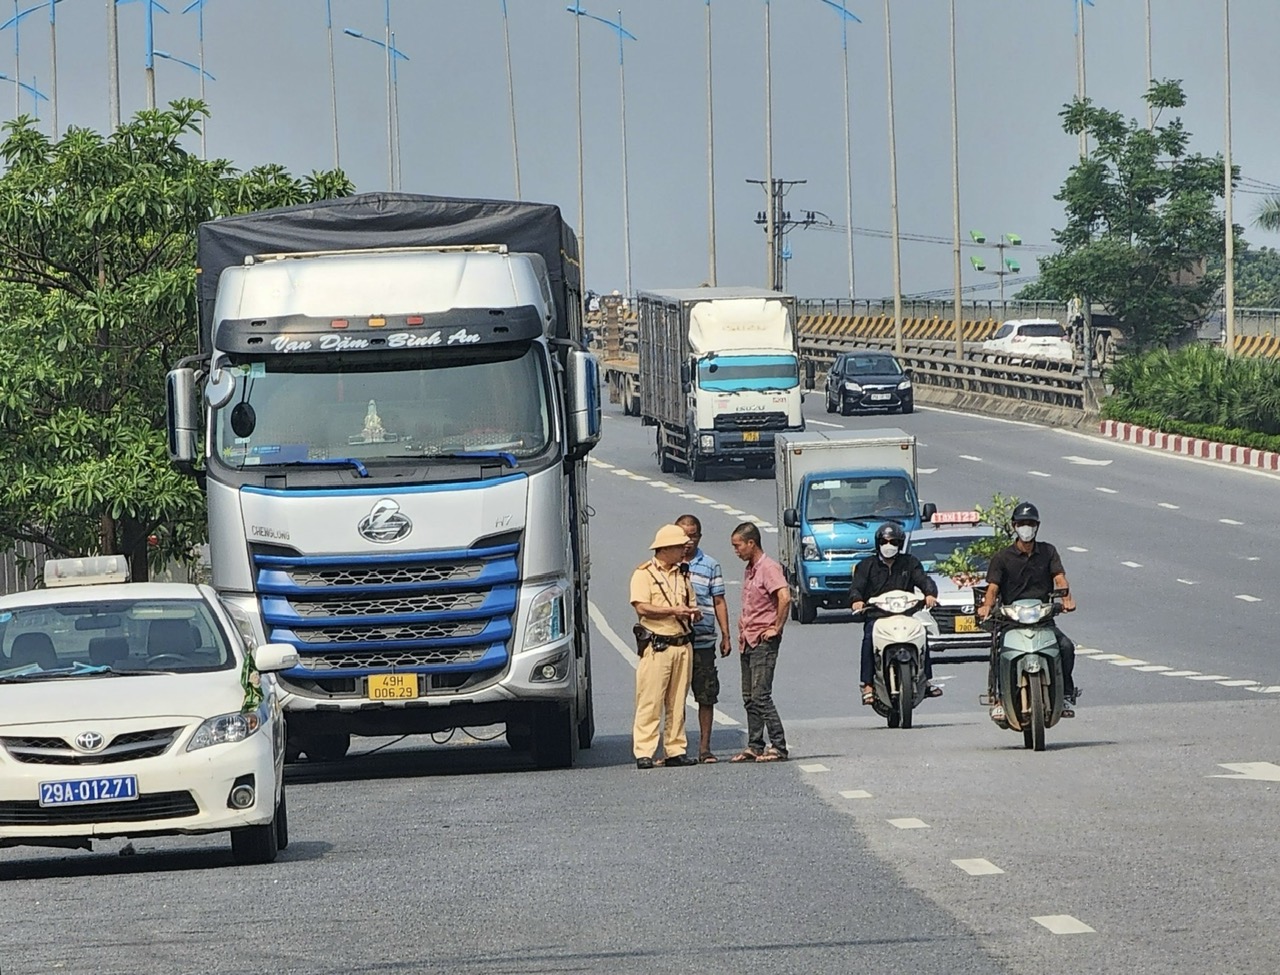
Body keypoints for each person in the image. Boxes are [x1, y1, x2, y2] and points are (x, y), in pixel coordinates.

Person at [976, 501, 1078, 722]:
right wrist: (986, 606)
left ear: (1037, 527)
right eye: (1022, 523)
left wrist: (1067, 598)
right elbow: (992, 588)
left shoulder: (1048, 552)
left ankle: (1067, 693)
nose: (1026, 528)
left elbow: (1059, 577)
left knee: (1066, 647)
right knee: (998, 650)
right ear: (1014, 526)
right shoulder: (1002, 558)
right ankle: (1000, 699)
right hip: (1011, 620)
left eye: (1030, 523)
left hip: (1043, 617)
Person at [630, 523, 702, 769]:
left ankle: (675, 750)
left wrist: (692, 613)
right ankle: (644, 751)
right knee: (650, 701)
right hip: (657, 645)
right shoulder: (644, 573)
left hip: (682, 644)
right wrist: (673, 610)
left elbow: (689, 602)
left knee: (678, 701)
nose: (685, 549)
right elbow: (641, 607)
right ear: (666, 548)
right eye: (680, 546)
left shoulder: (683, 573)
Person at [850, 522, 942, 706]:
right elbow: (856, 588)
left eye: (893, 542)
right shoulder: (866, 566)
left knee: (921, 634)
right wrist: (856, 601)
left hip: (907, 615)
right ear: (878, 543)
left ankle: (927, 680)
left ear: (900, 544)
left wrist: (930, 594)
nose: (888, 545)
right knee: (869, 639)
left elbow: (923, 580)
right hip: (877, 616)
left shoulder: (910, 563)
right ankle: (867, 684)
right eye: (884, 541)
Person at [729, 522, 790, 763]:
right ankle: (755, 745)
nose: (736, 551)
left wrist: (776, 627)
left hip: (763, 641)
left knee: (761, 695)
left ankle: (778, 745)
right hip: (748, 639)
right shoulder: (750, 569)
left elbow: (784, 597)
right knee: (749, 696)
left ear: (751, 543)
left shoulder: (768, 567)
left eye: (738, 545)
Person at [676, 514, 732, 764]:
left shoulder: (710, 564)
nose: (688, 541)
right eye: (683, 535)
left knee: (706, 695)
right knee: (674, 697)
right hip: (674, 640)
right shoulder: (665, 564)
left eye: (693, 535)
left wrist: (726, 635)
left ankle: (705, 748)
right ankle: (674, 749)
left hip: (703, 641)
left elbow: (719, 600)